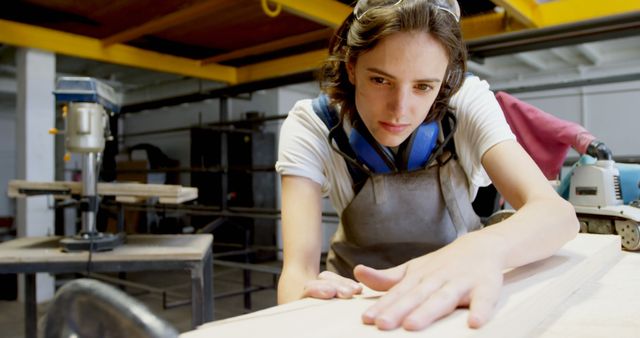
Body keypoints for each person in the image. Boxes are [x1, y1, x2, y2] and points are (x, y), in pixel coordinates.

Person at [275, 0, 578, 332]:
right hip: (358, 308)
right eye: (380, 80)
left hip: (458, 301)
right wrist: (302, 306)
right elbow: (297, 271)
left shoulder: (467, 102)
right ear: (351, 67)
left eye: (423, 87)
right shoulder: (312, 125)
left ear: (445, 80)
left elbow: (557, 215)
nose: (400, 110)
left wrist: (483, 248)